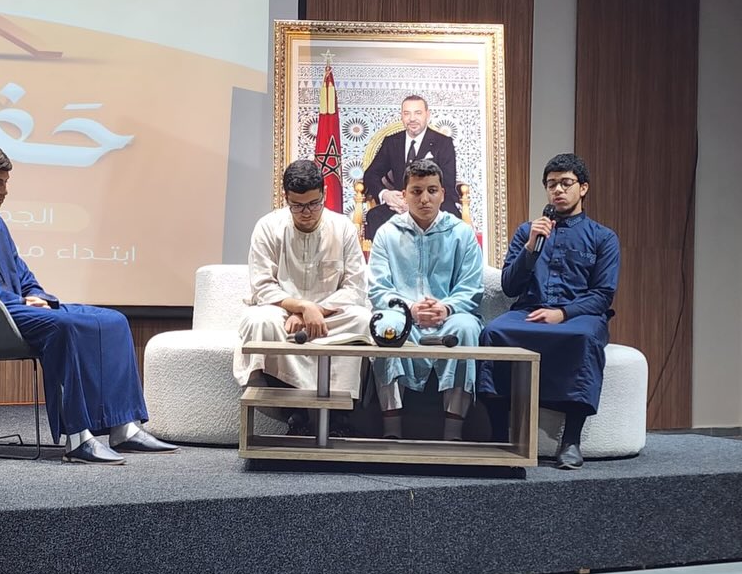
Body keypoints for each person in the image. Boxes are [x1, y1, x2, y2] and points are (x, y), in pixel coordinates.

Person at [0, 141, 177, 465]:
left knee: (113, 320)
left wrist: (38, 296)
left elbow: (20, 271)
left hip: (14, 309)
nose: (4, 191)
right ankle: (78, 438)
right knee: (62, 327)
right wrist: (19, 300)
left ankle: (124, 427)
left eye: (6, 182)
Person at [476, 153, 620, 469]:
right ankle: (499, 435)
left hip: (580, 317)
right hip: (530, 311)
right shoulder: (528, 231)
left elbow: (602, 295)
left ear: (583, 188)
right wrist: (530, 247)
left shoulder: (603, 237)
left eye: (566, 183)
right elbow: (510, 286)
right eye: (552, 184)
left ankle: (571, 441)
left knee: (583, 339)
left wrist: (563, 314)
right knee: (493, 332)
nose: (558, 190)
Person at [234, 159, 372, 435]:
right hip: (282, 312)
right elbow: (262, 285)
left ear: (324, 194)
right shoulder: (268, 227)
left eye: (313, 204)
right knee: (259, 322)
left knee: (362, 320)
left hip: (330, 316)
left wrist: (316, 311)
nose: (306, 213)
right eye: (297, 206)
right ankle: (294, 412)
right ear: (286, 198)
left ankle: (337, 415)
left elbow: (355, 287)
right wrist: (299, 307)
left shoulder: (343, 227)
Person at [368, 159, 484, 440]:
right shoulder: (387, 233)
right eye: (416, 191)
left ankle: (453, 431)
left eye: (432, 190)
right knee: (386, 326)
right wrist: (410, 309)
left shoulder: (461, 233)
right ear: (404, 195)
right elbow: (379, 289)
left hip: (449, 317)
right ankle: (392, 429)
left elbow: (471, 287)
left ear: (442, 194)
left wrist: (446, 307)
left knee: (467, 327)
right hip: (404, 316)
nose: (424, 198)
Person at [362, 95, 459, 241]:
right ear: (401, 116)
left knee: (449, 218)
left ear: (427, 115)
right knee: (374, 216)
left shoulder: (443, 143)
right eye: (407, 113)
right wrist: (385, 195)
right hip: (399, 206)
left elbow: (447, 184)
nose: (412, 119)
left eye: (417, 113)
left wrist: (416, 206)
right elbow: (371, 175)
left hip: (434, 206)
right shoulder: (392, 142)